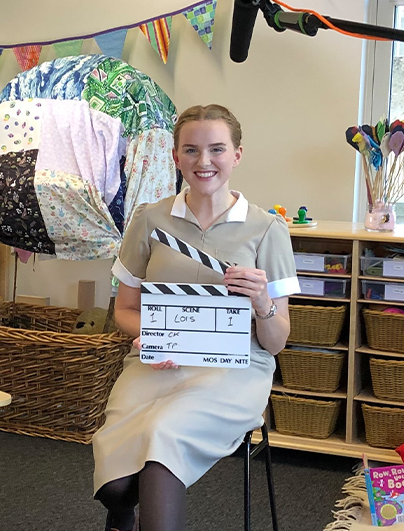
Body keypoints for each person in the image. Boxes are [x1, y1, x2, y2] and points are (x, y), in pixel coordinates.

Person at [92, 104, 300, 531]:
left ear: (237, 155)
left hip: (233, 369)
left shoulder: (267, 229)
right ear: (175, 156)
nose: (204, 162)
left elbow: (277, 341)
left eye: (217, 149)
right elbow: (124, 312)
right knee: (114, 487)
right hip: (157, 363)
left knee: (164, 439)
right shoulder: (149, 220)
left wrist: (263, 303)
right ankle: (122, 513)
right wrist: (153, 337)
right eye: (191, 150)